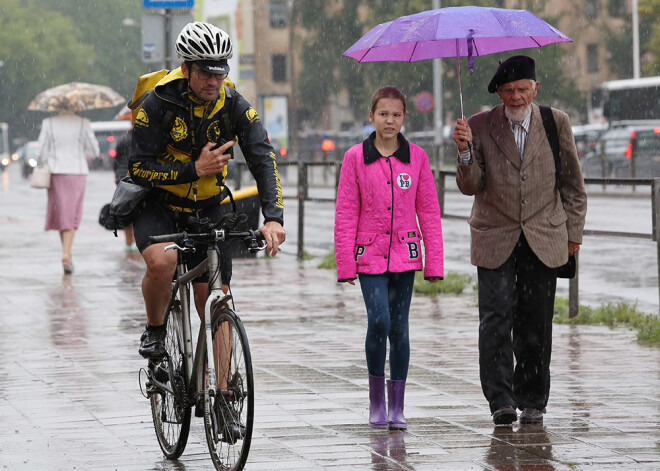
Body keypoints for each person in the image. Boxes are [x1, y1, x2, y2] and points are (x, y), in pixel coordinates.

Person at [130, 21, 285, 363]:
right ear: (186, 68)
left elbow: (262, 156)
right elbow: (137, 169)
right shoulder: (158, 104)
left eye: (220, 72)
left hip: (208, 207)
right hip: (159, 204)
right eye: (204, 73)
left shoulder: (233, 104)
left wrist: (274, 218)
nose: (214, 81)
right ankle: (155, 329)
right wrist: (193, 169)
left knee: (215, 297)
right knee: (163, 261)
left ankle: (226, 395)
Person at [451, 55, 587, 425]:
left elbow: (574, 185)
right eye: (508, 91)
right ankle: (500, 399)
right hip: (495, 235)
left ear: (535, 88)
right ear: (498, 92)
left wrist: (573, 233)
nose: (516, 97)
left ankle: (533, 400)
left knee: (536, 320)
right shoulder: (478, 125)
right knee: (495, 319)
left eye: (522, 89)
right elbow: (470, 186)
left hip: (544, 235)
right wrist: (464, 150)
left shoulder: (555, 122)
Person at [335, 86, 444, 430]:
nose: (390, 121)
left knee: (400, 329)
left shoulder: (418, 158)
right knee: (379, 320)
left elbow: (428, 210)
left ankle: (397, 406)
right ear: (371, 116)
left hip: (405, 256)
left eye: (397, 114)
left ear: (404, 118)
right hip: (369, 256)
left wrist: (434, 262)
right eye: (383, 114)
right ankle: (376, 402)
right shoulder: (355, 157)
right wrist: (345, 263)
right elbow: (346, 212)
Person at [36, 109, 100, 274]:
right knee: (71, 215)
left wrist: (47, 158)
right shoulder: (83, 123)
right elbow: (94, 151)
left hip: (56, 171)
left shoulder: (48, 122)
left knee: (61, 214)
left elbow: (41, 151)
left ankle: (67, 254)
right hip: (77, 171)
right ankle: (66, 253)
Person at [112, 113, 138, 253]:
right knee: (138, 212)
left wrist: (116, 176)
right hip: (136, 178)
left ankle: (128, 243)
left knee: (126, 211)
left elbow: (115, 162)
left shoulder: (123, 139)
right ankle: (135, 242)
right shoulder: (142, 139)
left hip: (122, 179)